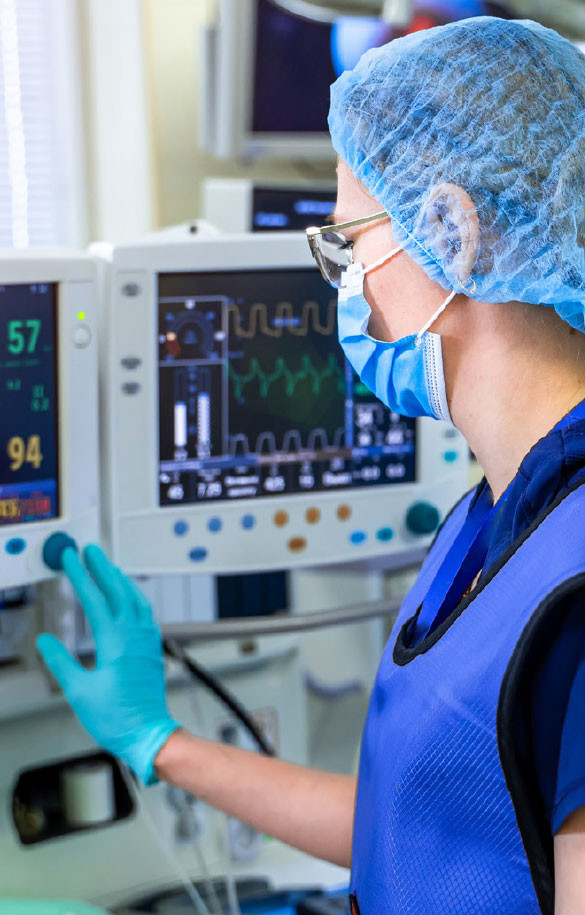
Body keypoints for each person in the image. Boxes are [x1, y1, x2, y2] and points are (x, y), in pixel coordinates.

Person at [38, 16, 585, 914]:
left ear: (451, 230)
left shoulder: (573, 586)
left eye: (349, 244)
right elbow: (420, 829)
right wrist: (157, 739)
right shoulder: (496, 513)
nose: (347, 288)